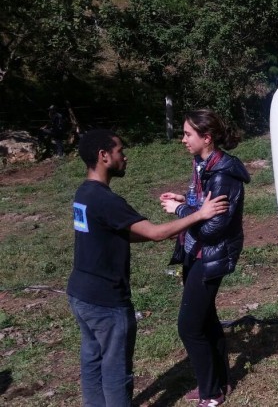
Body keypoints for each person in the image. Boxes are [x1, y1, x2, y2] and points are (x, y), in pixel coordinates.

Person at [68, 129, 229, 407]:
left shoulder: (84, 194)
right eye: (120, 151)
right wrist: (200, 214)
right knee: (116, 370)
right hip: (106, 300)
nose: (125, 157)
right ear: (103, 156)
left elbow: (119, 232)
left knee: (92, 361)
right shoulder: (107, 201)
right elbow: (155, 233)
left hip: (80, 294)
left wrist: (160, 230)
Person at [159, 109, 250, 407]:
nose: (182, 139)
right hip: (193, 251)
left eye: (188, 134)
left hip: (209, 254)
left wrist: (180, 212)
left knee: (189, 326)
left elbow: (213, 228)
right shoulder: (202, 164)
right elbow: (204, 206)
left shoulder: (223, 175)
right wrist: (187, 201)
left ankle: (211, 395)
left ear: (206, 138)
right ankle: (220, 381)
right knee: (206, 318)